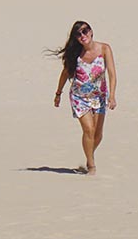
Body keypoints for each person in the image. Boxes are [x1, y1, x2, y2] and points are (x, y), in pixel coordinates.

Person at [48, 21, 117, 175]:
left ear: (91, 31)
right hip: (79, 97)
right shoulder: (75, 55)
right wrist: (58, 93)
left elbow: (112, 73)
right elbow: (65, 74)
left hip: (99, 97)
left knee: (98, 135)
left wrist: (112, 95)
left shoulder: (105, 49)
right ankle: (91, 166)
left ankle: (88, 156)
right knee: (89, 130)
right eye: (78, 34)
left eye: (85, 31)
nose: (82, 36)